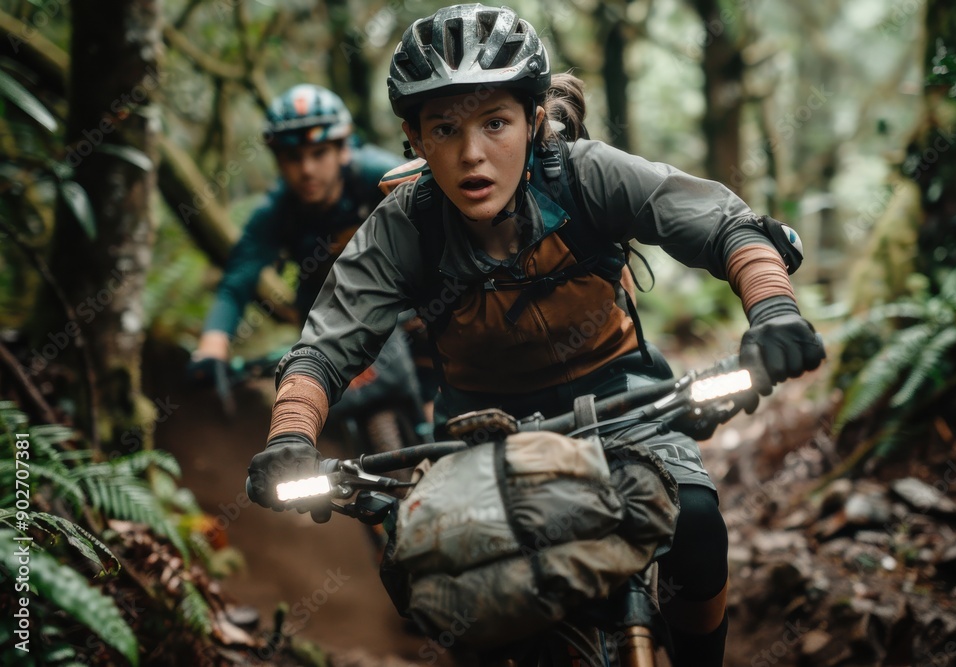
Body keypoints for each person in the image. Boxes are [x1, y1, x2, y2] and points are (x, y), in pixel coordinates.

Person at [246, 5, 825, 666]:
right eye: (445, 128)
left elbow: (725, 225)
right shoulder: (404, 226)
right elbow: (324, 347)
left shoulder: (585, 175)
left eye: (495, 122)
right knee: (452, 586)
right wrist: (291, 435)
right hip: (476, 429)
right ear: (414, 136)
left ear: (533, 119)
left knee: (694, 525)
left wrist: (775, 311)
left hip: (624, 400)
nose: (471, 154)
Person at [188, 83, 405, 373]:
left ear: (343, 150)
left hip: (405, 306)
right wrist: (212, 346)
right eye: (294, 157)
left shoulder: (382, 178)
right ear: (278, 161)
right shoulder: (276, 211)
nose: (307, 170)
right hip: (326, 321)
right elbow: (237, 281)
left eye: (319, 153)